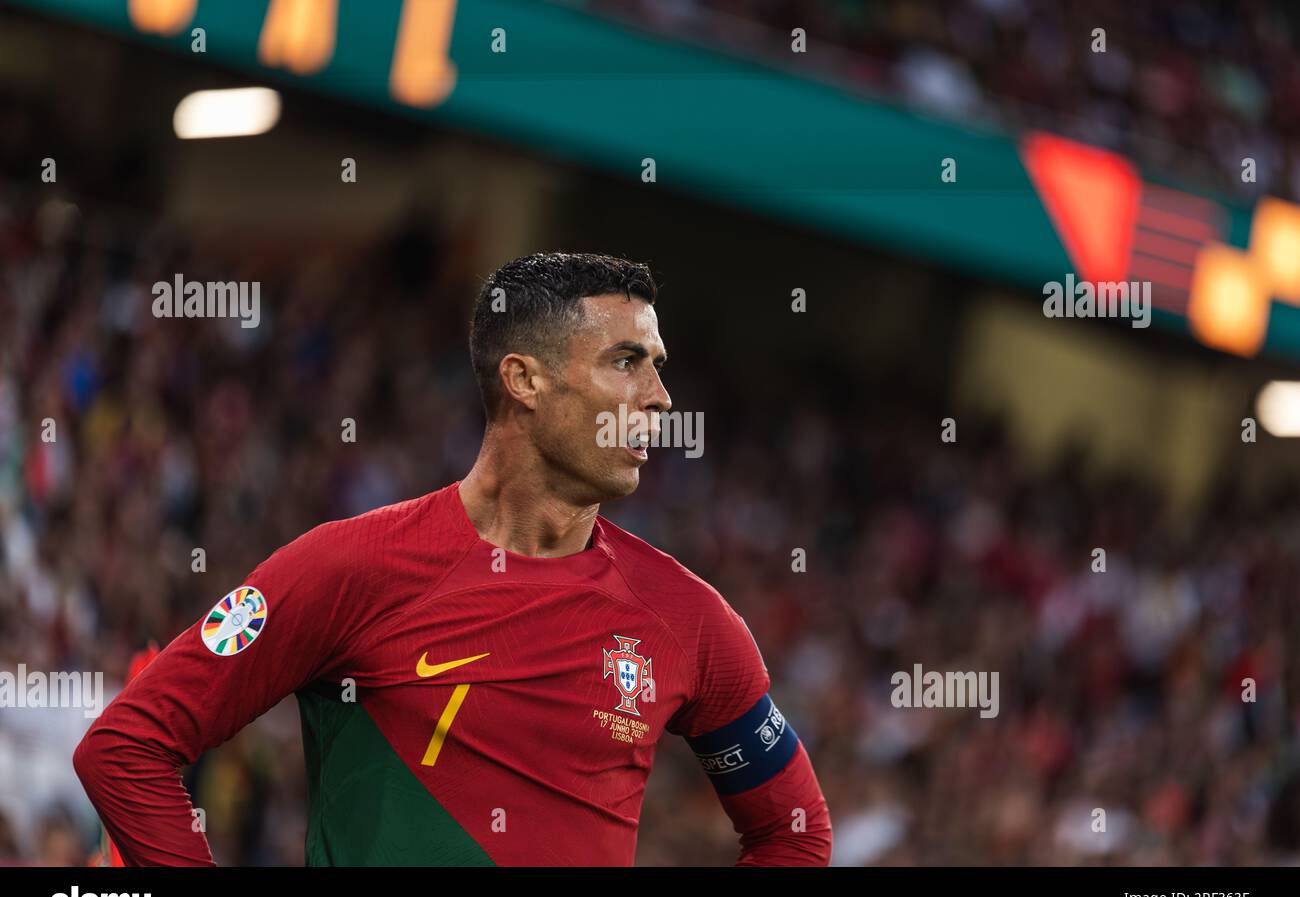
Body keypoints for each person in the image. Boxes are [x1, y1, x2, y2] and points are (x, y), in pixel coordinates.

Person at [74, 251, 832, 865]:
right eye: (627, 361)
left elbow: (793, 832)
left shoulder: (688, 620)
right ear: (525, 379)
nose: (662, 398)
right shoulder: (351, 568)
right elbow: (126, 748)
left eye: (658, 364)